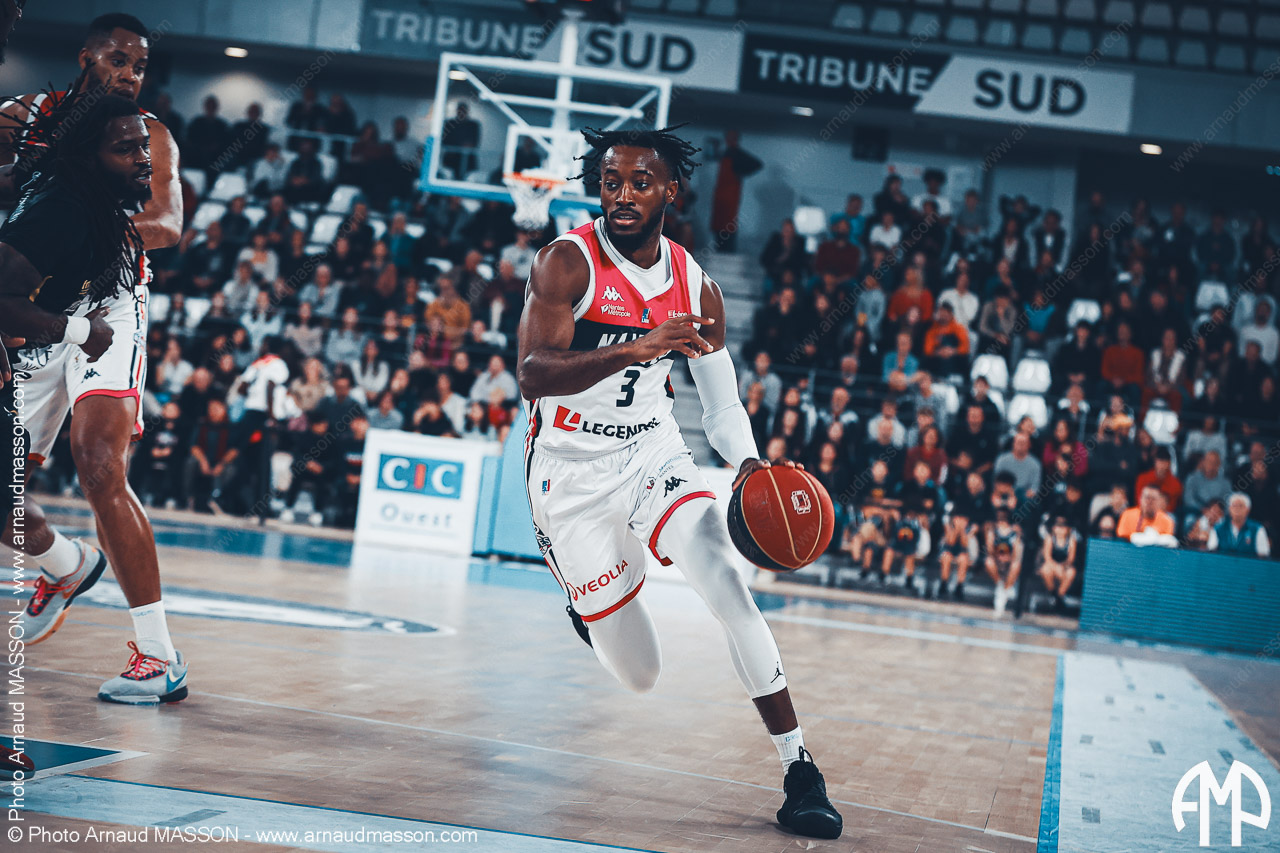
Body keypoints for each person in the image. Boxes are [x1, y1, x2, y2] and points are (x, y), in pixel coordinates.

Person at [517, 126, 841, 838]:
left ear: (671, 190)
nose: (623, 195)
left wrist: (750, 463)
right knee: (640, 673)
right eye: (611, 182)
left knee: (729, 588)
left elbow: (721, 409)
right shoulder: (565, 263)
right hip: (569, 473)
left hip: (652, 453)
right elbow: (532, 375)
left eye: (640, 182)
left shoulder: (697, 288)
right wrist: (638, 346)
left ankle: (800, 769)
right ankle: (588, 608)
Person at [0, 81, 189, 704]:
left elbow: (168, 224)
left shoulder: (147, 132)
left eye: (140, 62)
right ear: (87, 58)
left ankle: (158, 657)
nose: (131, 72)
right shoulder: (33, 125)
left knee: (100, 463)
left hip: (109, 301)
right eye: (119, 58)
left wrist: (95, 224)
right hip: (40, 306)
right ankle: (65, 564)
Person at [708, 130, 762, 251]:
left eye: (732, 137)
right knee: (719, 223)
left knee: (727, 224)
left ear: (736, 139)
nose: (730, 140)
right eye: (728, 137)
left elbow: (757, 164)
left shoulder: (737, 154)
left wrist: (741, 173)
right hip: (721, 196)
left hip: (730, 196)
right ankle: (721, 250)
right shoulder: (725, 153)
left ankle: (727, 251)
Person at [1208, 493, 1272, 558]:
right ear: (1229, 509)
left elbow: (1263, 556)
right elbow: (1211, 553)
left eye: (1241, 506)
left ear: (1248, 509)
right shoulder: (1218, 528)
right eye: (1234, 506)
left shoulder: (1257, 529)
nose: (1237, 509)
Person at [985, 510, 1023, 616]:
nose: (1001, 523)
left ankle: (1004, 592)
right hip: (997, 561)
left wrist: (1009, 558)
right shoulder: (992, 532)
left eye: (1003, 521)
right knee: (988, 561)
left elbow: (1017, 552)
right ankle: (1001, 585)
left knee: (1016, 564)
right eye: (1000, 521)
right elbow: (989, 550)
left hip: (1009, 562)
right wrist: (997, 556)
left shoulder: (1014, 534)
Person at [1037, 516, 1078, 613]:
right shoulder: (1050, 538)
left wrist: (1062, 566)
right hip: (1051, 564)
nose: (1060, 530)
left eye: (1063, 527)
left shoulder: (1071, 540)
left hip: (1064, 566)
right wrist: (1056, 567)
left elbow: (1070, 559)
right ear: (1053, 528)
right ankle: (1053, 595)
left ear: (1068, 529)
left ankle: (1059, 596)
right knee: (1045, 570)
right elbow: (1047, 557)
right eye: (1058, 527)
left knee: (1071, 572)